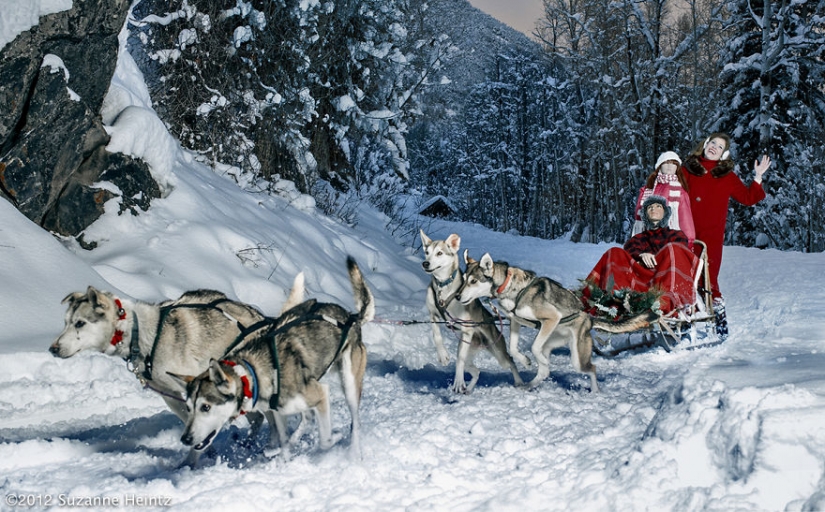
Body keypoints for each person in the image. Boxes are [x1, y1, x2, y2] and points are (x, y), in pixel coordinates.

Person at [681, 133, 771, 339]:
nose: (714, 147)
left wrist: (758, 177)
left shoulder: (726, 176)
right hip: (685, 233)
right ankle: (683, 320)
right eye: (712, 142)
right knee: (683, 276)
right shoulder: (687, 170)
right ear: (705, 144)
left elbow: (748, 198)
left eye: (720, 146)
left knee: (709, 279)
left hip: (711, 237)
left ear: (723, 154)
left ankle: (719, 318)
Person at [583, 195, 699, 316]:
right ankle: (612, 301)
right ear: (645, 214)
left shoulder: (676, 235)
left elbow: (680, 253)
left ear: (665, 212)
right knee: (615, 251)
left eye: (658, 206)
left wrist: (658, 257)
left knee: (673, 248)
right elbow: (630, 251)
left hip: (664, 279)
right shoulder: (638, 238)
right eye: (650, 207)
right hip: (640, 281)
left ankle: (665, 302)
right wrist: (641, 255)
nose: (653, 209)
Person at [631, 151, 695, 248]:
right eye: (666, 163)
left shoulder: (679, 192)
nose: (670, 166)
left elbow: (685, 218)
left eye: (673, 163)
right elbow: (638, 215)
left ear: (677, 168)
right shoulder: (647, 189)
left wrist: (689, 242)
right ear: (660, 166)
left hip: (670, 238)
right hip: (647, 238)